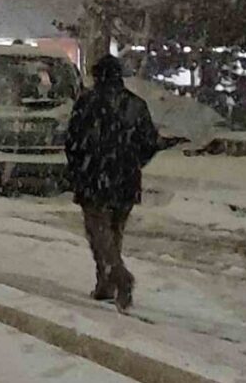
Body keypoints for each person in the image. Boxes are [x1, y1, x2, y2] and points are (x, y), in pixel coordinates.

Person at [65, 55, 159, 312]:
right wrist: (132, 162)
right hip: (126, 178)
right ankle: (105, 283)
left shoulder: (87, 103)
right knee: (114, 231)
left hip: (94, 176)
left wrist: (78, 169)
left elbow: (73, 141)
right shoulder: (135, 105)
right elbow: (150, 142)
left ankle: (118, 276)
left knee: (98, 233)